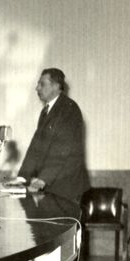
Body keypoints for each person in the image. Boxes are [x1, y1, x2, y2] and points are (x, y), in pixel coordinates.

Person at [18, 68, 90, 204]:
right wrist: (22, 177)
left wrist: (42, 180)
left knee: (62, 225)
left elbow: (62, 150)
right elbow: (35, 148)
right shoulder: (46, 112)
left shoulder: (69, 109)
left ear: (56, 86)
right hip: (51, 185)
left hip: (66, 188)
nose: (36, 88)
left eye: (42, 84)